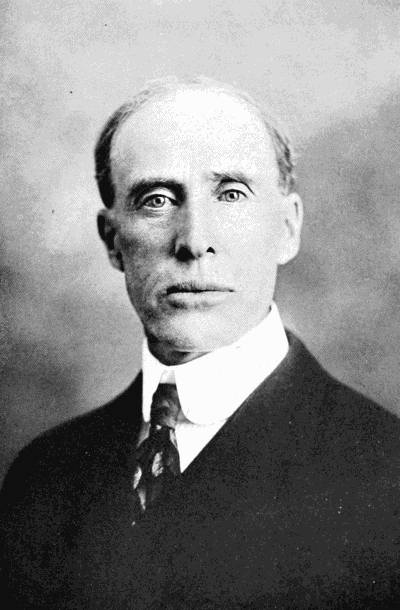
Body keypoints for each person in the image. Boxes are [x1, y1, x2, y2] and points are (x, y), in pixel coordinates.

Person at [1, 77, 400, 609]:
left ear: (287, 228)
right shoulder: (44, 475)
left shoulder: (386, 475)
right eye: (157, 200)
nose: (193, 240)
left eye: (231, 194)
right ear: (113, 240)